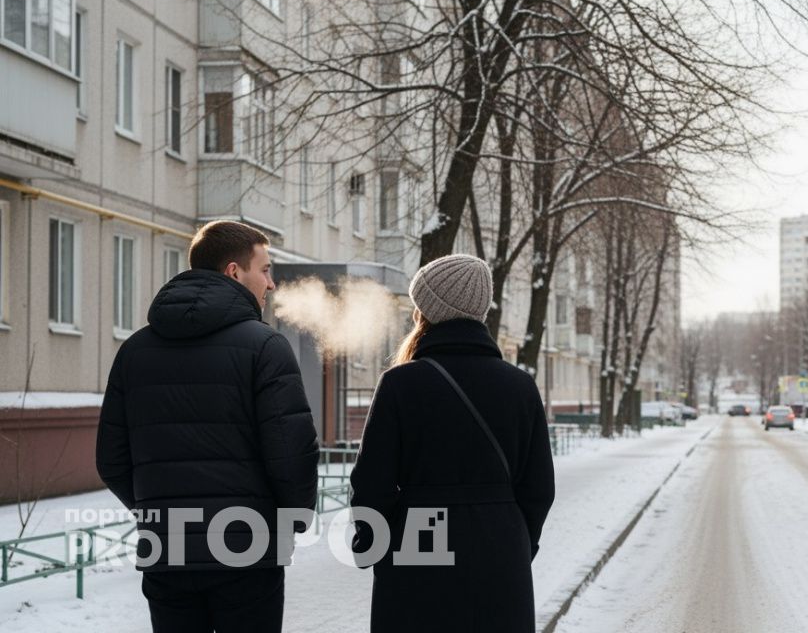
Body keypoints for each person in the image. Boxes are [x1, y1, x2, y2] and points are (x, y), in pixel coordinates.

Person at [96, 220, 320, 633]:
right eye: (266, 269)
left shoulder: (134, 351)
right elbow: (292, 453)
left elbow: (111, 460)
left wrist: (159, 511)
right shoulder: (266, 347)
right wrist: (292, 521)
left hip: (168, 549)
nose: (271, 285)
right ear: (234, 272)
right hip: (248, 548)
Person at [350, 254, 555, 632]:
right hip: (500, 548)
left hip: (418, 544)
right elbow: (539, 488)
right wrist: (518, 544)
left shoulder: (401, 384)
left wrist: (376, 548)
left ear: (428, 312)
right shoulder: (521, 386)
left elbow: (371, 484)